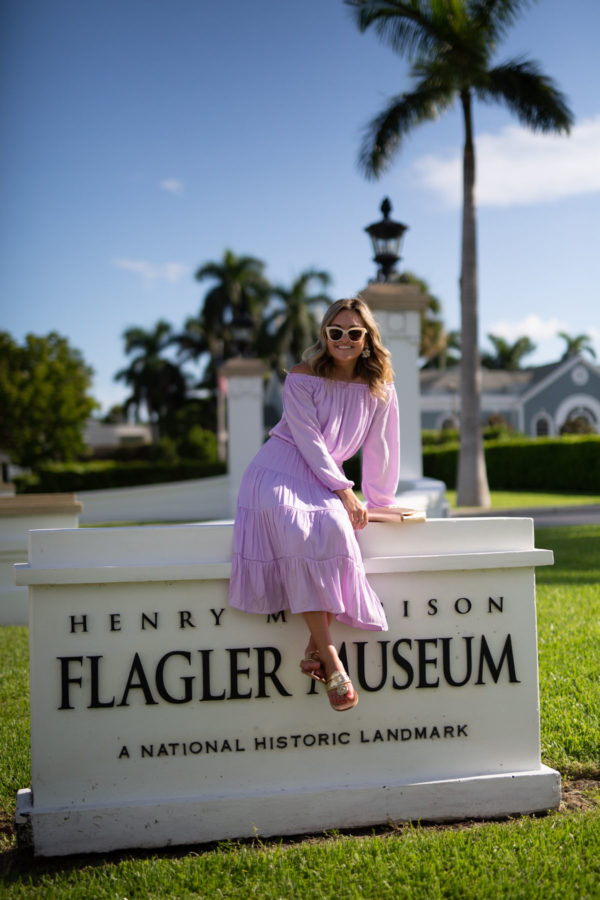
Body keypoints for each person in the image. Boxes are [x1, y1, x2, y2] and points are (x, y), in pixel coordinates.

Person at [228, 297, 399, 712]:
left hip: (324, 478)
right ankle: (333, 660)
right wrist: (345, 492)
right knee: (301, 527)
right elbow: (309, 441)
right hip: (279, 470)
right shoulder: (302, 377)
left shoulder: (380, 387)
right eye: (335, 332)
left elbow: (381, 446)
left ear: (366, 339)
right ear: (324, 335)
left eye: (353, 333)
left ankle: (313, 652)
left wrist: (379, 503)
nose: (344, 339)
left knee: (337, 530)